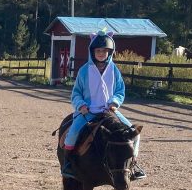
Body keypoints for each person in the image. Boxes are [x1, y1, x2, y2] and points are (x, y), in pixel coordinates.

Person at [61, 32, 146, 181]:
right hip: (89, 111)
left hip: (109, 111)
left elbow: (119, 90)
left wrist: (114, 102)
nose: (101, 53)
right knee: (72, 133)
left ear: (110, 52)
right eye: (98, 50)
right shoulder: (84, 71)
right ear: (92, 51)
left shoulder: (114, 71)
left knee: (135, 134)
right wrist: (81, 105)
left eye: (104, 51)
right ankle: (68, 164)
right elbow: (76, 93)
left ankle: (133, 165)